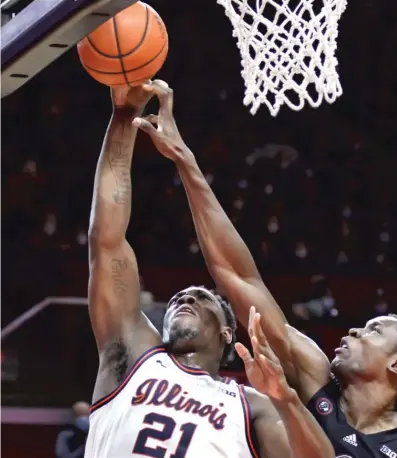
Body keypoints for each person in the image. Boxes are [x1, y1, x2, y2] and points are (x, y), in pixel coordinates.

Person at [133, 82, 397, 458]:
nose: (353, 330)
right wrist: (186, 162)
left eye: (373, 331)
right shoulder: (313, 372)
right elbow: (236, 275)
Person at [85, 81, 335, 458]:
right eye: (179, 298)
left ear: (227, 332)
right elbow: (107, 241)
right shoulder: (133, 356)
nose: (185, 296)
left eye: (203, 299)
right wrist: (124, 117)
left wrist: (285, 400)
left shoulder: (254, 405)